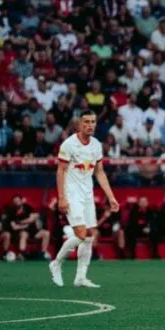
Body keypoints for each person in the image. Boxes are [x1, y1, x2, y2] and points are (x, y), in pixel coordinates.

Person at [50, 110, 120, 288]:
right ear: (79, 125)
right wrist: (61, 198)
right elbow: (60, 171)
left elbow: (99, 172)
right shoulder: (69, 144)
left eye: (93, 122)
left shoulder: (96, 145)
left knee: (89, 236)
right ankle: (56, 263)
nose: (90, 125)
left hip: (87, 195)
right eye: (86, 122)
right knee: (81, 234)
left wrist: (111, 197)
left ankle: (80, 277)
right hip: (71, 194)